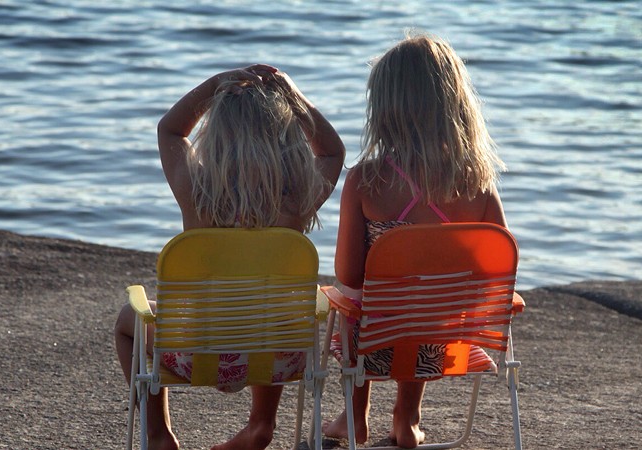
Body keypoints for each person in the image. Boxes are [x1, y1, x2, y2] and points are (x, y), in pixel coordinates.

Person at [113, 64, 344, 450]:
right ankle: (261, 425)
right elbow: (333, 149)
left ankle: (158, 435)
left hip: (197, 353)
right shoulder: (297, 200)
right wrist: (292, 94)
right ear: (288, 136)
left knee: (127, 320)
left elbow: (169, 129)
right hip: (279, 358)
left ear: (217, 135)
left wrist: (216, 83)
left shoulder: (196, 190)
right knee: (271, 313)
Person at [322, 33, 508, 449]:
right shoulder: (479, 186)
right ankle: (406, 418)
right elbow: (497, 271)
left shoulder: (366, 181)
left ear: (385, 109)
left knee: (350, 299)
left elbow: (349, 275)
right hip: (443, 347)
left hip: (374, 346)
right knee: (429, 301)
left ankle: (355, 415)